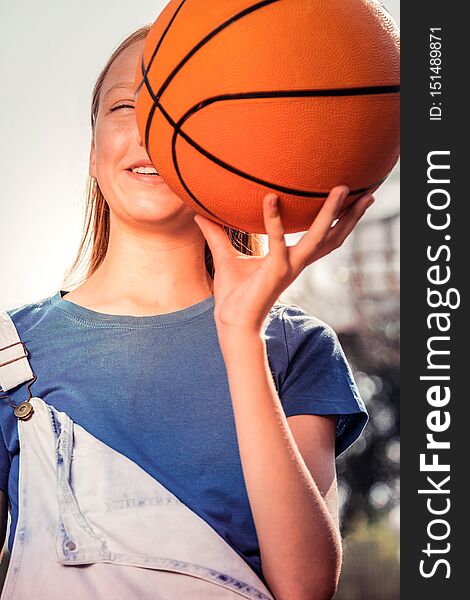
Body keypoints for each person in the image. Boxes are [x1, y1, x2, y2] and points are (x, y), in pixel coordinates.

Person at [0, 24, 373, 600]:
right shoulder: (10, 350)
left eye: (182, 109)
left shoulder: (296, 345)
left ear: (231, 154)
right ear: (94, 153)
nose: (153, 129)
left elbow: (305, 587)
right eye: (125, 106)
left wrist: (239, 330)